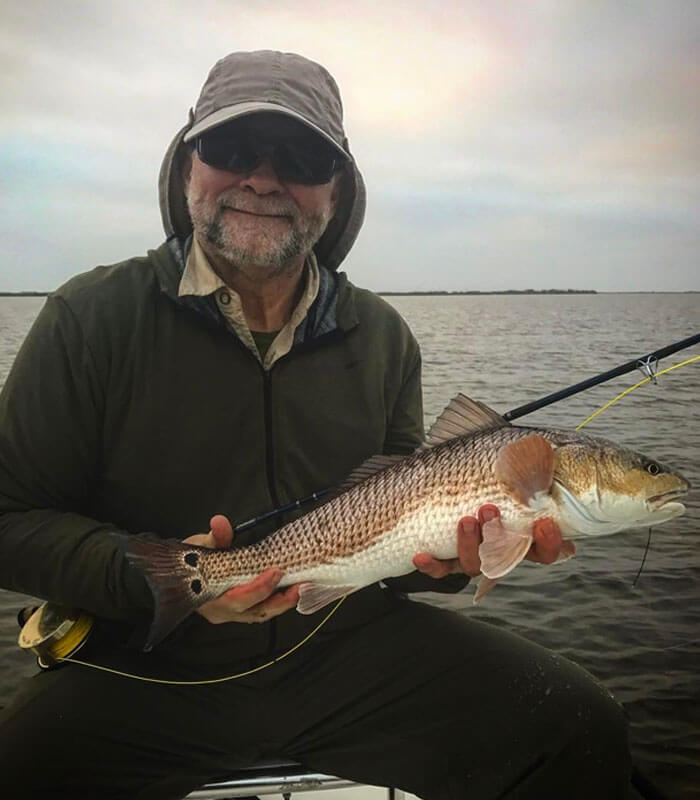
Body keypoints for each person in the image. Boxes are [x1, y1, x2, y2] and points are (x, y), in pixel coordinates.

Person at [0, 51, 631, 799]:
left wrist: (461, 563)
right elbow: (10, 520)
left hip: (347, 649)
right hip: (149, 663)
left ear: (336, 191)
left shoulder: (384, 337)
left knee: (580, 727)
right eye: (232, 149)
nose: (263, 179)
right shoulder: (90, 317)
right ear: (187, 168)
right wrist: (158, 575)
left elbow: (399, 554)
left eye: (301, 157)